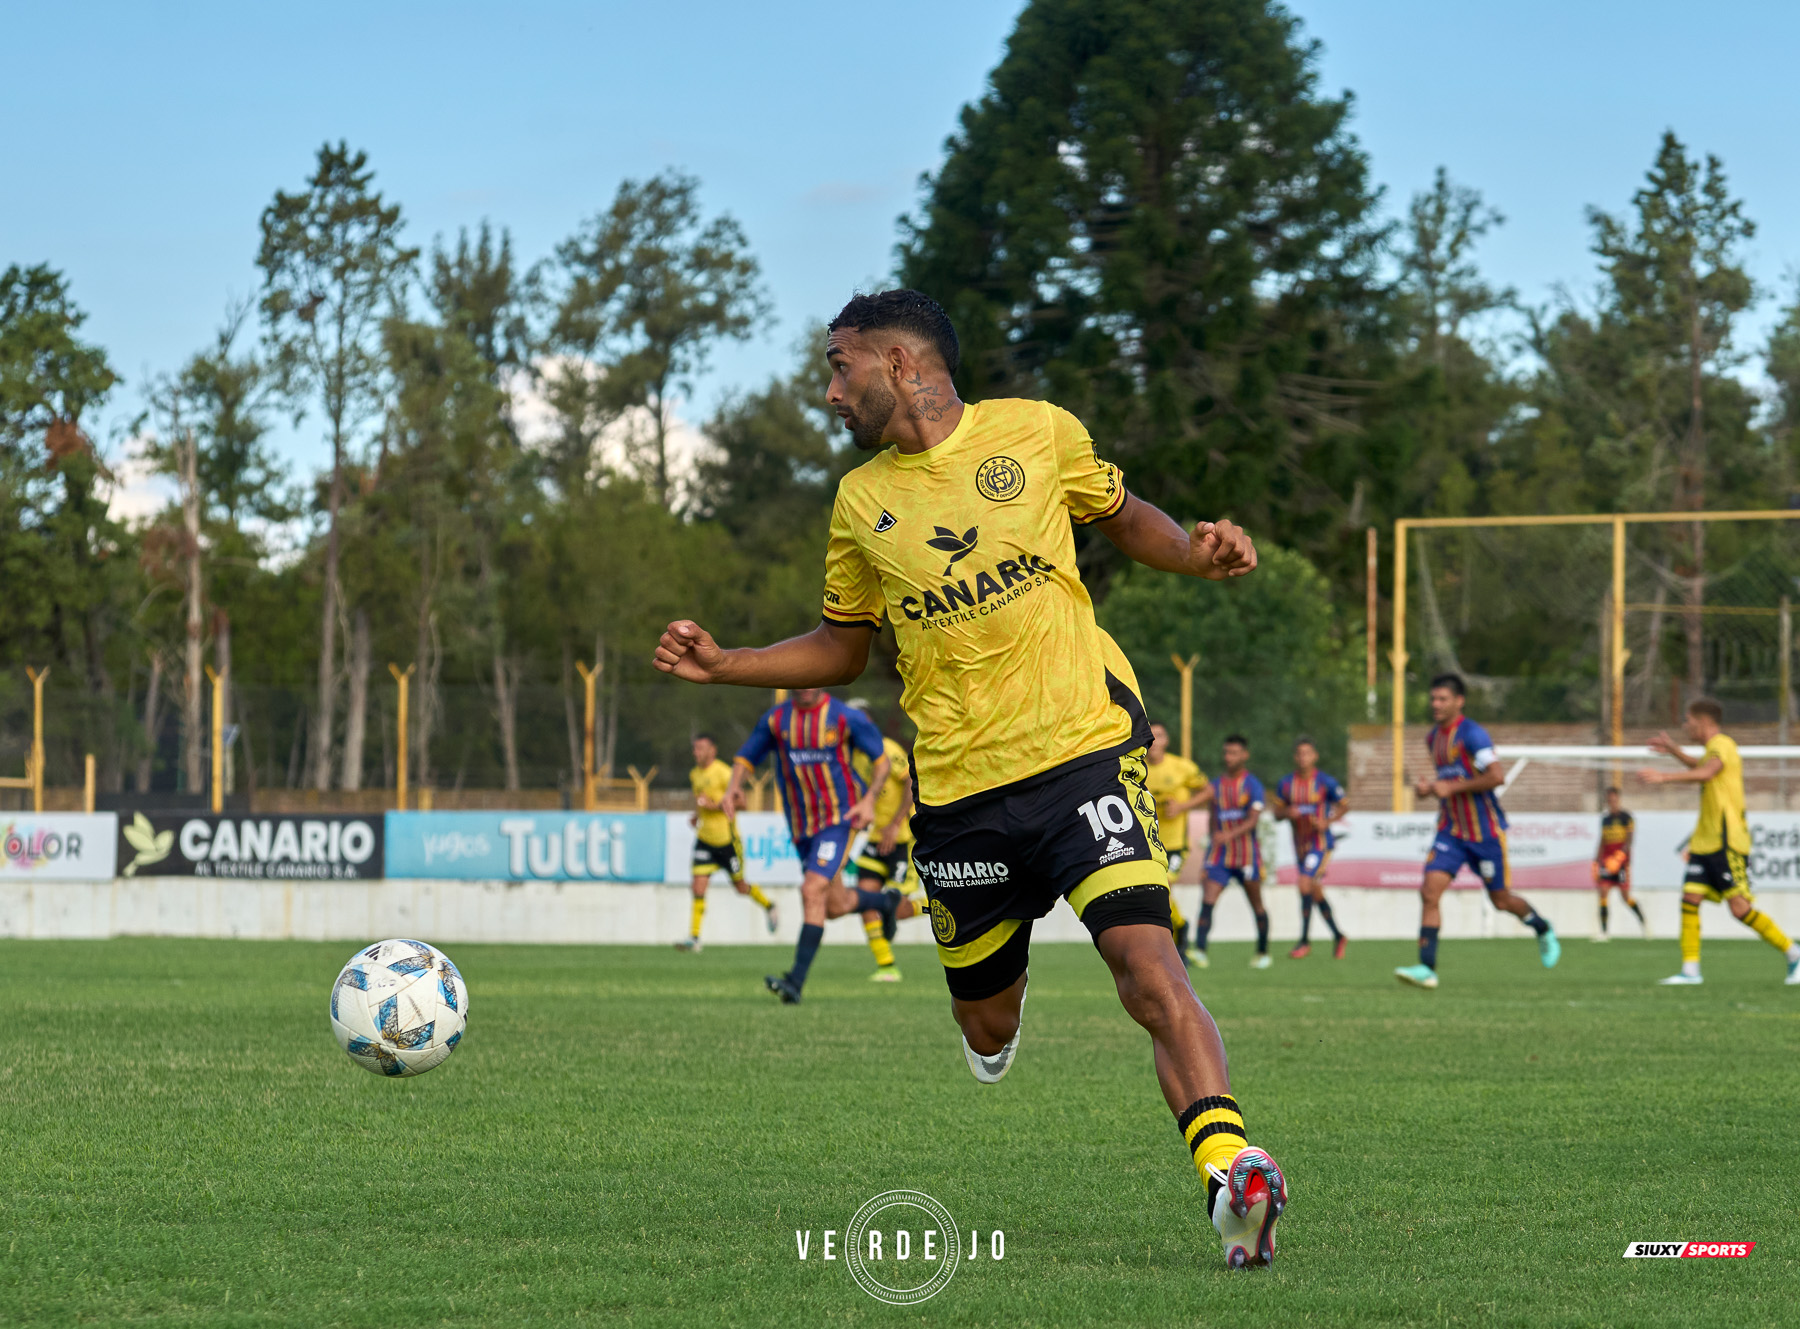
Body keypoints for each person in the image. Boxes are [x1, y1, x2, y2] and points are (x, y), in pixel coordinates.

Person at [653, 289, 1286, 1268]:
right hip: (957, 798)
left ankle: (1231, 1176)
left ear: (903, 366)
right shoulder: (861, 501)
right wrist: (728, 662)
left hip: (1084, 749)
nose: (829, 391)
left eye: (839, 366)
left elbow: (1126, 517)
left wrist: (1197, 556)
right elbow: (844, 646)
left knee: (1148, 966)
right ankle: (996, 1018)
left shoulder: (1037, 435)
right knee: (984, 1015)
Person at [723, 688, 897, 1003]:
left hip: (840, 819)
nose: (805, 686)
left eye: (811, 679)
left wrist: (869, 800)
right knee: (834, 905)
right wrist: (734, 787)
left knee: (812, 888)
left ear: (823, 681)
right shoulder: (777, 720)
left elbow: (882, 762)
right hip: (802, 826)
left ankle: (795, 982)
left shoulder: (845, 717)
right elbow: (747, 757)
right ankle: (886, 903)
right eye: (798, 680)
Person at [1395, 674, 1560, 990]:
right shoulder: (1433, 739)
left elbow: (1497, 777)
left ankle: (1541, 927)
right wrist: (1429, 789)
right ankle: (1427, 969)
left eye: (1443, 699)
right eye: (1433, 699)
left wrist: (1451, 787)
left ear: (1459, 701)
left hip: (1484, 833)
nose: (1436, 704)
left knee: (1500, 900)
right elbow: (1448, 781)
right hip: (1451, 831)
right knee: (1429, 891)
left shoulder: (1473, 735)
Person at [1639, 698, 1800, 986]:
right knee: (1690, 899)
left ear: (1702, 722)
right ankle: (1690, 970)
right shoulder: (1711, 750)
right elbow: (1700, 764)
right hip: (1704, 842)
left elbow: (1707, 771)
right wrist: (1675, 751)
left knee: (1739, 909)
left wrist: (1664, 777)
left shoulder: (1723, 744)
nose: (1685, 726)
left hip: (1727, 841)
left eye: (1688, 721)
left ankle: (1793, 953)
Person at [846, 699, 927, 982]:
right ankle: (887, 966)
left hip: (901, 839)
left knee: (898, 908)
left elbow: (910, 781)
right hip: (875, 839)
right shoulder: (854, 756)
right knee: (866, 901)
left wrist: (895, 824)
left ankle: (933, 904)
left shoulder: (886, 749)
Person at [677, 733, 779, 951]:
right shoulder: (694, 774)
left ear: (712, 750)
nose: (696, 753)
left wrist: (714, 806)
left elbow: (743, 803)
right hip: (705, 839)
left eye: (701, 748)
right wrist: (697, 815)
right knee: (697, 886)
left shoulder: (724, 773)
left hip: (727, 842)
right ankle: (694, 938)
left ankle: (769, 906)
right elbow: (701, 801)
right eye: (695, 748)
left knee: (741, 887)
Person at [1193, 735, 1272, 969]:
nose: (1229, 757)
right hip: (1220, 857)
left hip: (1247, 856)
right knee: (1207, 900)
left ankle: (1262, 952)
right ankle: (1199, 951)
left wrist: (1228, 835)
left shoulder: (1252, 785)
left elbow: (1253, 820)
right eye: (1226, 752)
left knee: (1256, 904)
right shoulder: (1215, 786)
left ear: (1244, 755)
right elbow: (1212, 819)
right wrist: (1210, 847)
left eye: (1234, 753)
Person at [1143, 721, 1211, 966]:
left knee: (1164, 887)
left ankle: (1178, 939)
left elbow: (1207, 791)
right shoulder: (1137, 767)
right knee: (1155, 893)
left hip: (1174, 845)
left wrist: (1182, 806)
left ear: (1166, 740)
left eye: (1159, 735)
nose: (1153, 740)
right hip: (1148, 844)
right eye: (1149, 735)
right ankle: (1178, 930)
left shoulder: (1182, 767)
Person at [1273, 737, 1346, 960]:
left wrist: (1328, 822)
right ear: (1295, 757)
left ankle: (1304, 941)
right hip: (1301, 846)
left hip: (1320, 845)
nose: (1303, 758)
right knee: (1313, 891)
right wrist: (1287, 813)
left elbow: (1344, 805)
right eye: (1299, 754)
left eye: (1308, 753)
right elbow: (1276, 814)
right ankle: (1338, 935)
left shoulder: (1325, 782)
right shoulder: (1286, 784)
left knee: (1304, 883)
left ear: (1315, 756)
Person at [1591, 786, 1646, 942]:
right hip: (1607, 864)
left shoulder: (1626, 817)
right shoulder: (1605, 819)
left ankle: (1643, 921)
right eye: (1609, 800)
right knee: (1603, 892)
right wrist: (1596, 861)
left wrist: (1620, 856)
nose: (1611, 802)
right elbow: (1602, 841)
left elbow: (1629, 839)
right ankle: (1604, 932)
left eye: (1614, 799)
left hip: (1621, 864)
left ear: (1618, 799)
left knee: (1625, 897)